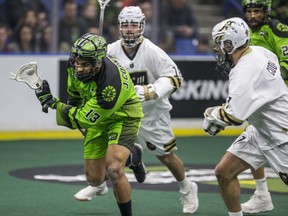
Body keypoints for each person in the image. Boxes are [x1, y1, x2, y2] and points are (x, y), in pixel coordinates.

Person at [74, 6, 199, 214]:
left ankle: (187, 187)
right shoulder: (110, 50)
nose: (130, 29)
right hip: (121, 116)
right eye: (125, 25)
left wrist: (151, 91)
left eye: (134, 25)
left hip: (151, 115)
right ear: (119, 27)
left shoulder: (152, 51)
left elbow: (175, 77)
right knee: (98, 143)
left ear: (142, 26)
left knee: (165, 156)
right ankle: (99, 185)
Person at [34, 33, 144, 216]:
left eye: (84, 64)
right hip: (96, 115)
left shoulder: (111, 86)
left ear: (98, 64)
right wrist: (65, 105)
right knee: (95, 179)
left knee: (115, 170)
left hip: (123, 117)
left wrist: (53, 103)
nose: (78, 68)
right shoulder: (74, 66)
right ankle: (133, 155)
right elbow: (76, 97)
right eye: (77, 61)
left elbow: (83, 118)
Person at [203, 17, 288, 216]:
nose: (217, 49)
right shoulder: (260, 51)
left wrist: (210, 115)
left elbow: (233, 116)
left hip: (281, 135)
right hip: (261, 130)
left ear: (230, 44)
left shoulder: (243, 71)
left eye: (220, 43)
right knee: (224, 172)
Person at [239, 0, 288, 213]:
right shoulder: (243, 32)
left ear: (266, 12)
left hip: (280, 98)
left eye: (257, 11)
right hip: (260, 100)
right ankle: (262, 194)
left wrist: (266, 80)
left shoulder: (277, 30)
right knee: (253, 138)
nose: (252, 16)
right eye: (249, 11)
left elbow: (286, 65)